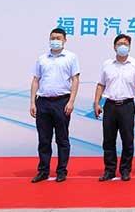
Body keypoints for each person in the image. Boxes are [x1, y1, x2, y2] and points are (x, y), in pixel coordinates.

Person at [29, 28, 80, 183]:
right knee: (44, 139)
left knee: (62, 139)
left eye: (58, 38)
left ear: (65, 40)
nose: (55, 40)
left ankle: (61, 171)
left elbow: (75, 80)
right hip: (43, 101)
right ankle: (43, 171)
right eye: (53, 38)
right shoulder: (42, 58)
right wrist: (32, 102)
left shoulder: (71, 57)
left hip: (62, 102)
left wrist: (71, 101)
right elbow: (36, 80)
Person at [93, 34, 135, 182]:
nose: (123, 46)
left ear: (129, 47)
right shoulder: (107, 64)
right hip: (110, 105)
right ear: (114, 47)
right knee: (108, 140)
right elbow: (101, 85)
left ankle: (125, 170)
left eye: (125, 44)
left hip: (127, 105)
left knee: (127, 139)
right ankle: (109, 170)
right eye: (119, 44)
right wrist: (97, 103)